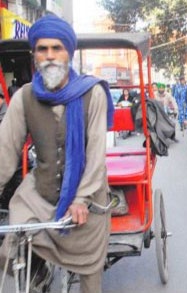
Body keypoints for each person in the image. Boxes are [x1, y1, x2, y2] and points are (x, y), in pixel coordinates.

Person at [0, 15, 114, 293]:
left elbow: (97, 152)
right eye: (42, 49)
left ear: (68, 53)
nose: (50, 56)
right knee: (10, 246)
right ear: (34, 55)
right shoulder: (24, 97)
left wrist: (80, 199)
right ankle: (36, 278)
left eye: (56, 48)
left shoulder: (93, 93)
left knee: (90, 273)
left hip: (87, 200)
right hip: (40, 195)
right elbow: (5, 151)